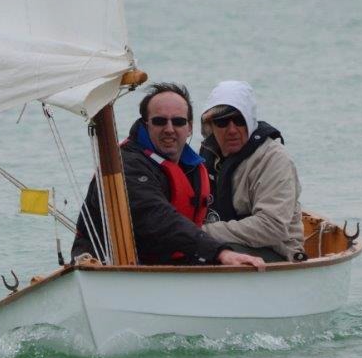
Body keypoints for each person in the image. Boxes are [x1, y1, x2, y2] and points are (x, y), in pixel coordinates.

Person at [72, 82, 265, 268]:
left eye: (178, 121)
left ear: (189, 127)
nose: (169, 129)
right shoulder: (126, 165)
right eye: (159, 121)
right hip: (110, 270)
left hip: (169, 270)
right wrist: (220, 252)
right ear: (145, 124)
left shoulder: (193, 168)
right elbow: (157, 218)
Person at [198, 81, 304, 262]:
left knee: (199, 253)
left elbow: (272, 227)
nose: (232, 129)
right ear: (211, 126)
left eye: (239, 120)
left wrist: (201, 233)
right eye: (222, 122)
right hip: (223, 243)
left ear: (250, 120)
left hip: (276, 253)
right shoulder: (207, 156)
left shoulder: (274, 159)